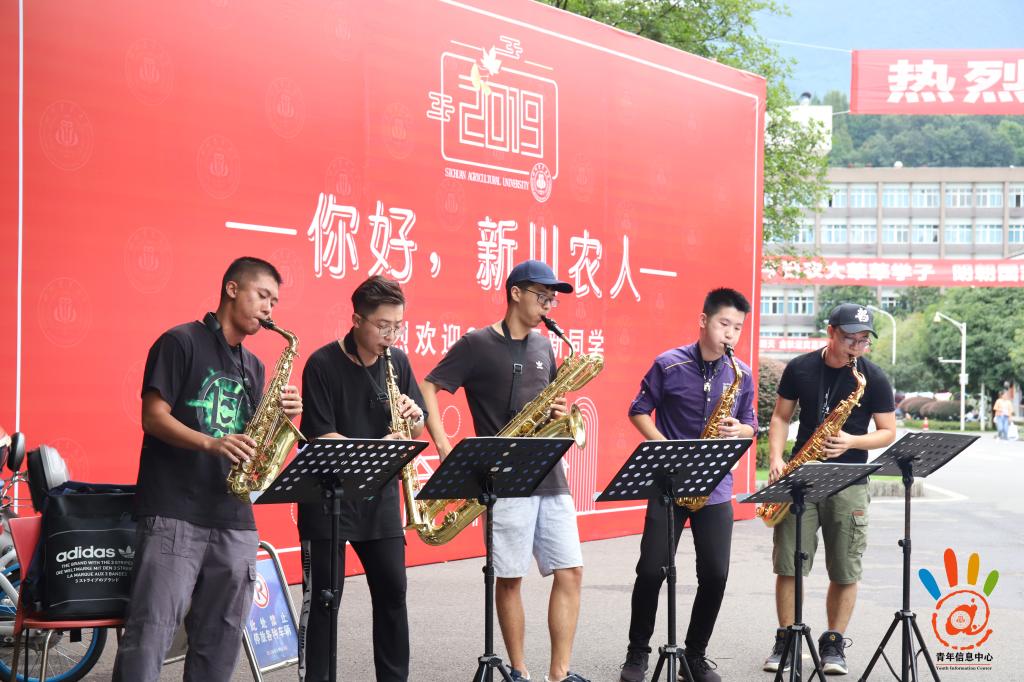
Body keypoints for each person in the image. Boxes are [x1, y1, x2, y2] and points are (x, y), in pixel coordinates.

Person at [113, 257, 302, 682]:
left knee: (222, 638)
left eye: (274, 301)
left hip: (235, 517)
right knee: (150, 633)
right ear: (232, 289)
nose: (269, 308)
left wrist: (283, 418)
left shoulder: (254, 366)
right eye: (262, 296)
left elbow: (252, 443)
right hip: (174, 512)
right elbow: (153, 417)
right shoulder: (179, 342)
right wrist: (211, 443)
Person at [420, 260, 589, 682]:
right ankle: (519, 670)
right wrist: (443, 443)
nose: (548, 304)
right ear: (515, 293)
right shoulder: (476, 343)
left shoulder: (544, 346)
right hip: (503, 479)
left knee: (571, 571)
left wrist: (558, 412)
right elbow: (428, 386)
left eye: (552, 299)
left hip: (551, 474)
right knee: (510, 578)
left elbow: (550, 401)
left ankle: (560, 673)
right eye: (542, 295)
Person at [618, 288, 757, 682]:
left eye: (737, 327)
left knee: (715, 575)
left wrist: (742, 429)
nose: (730, 333)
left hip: (716, 486)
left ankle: (694, 656)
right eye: (724, 323)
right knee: (651, 570)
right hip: (669, 483)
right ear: (703, 320)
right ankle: (637, 652)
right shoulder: (669, 364)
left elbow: (751, 424)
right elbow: (638, 411)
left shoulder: (741, 373)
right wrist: (665, 450)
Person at [296, 275, 426, 682]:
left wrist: (414, 418)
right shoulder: (322, 364)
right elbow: (321, 435)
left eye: (398, 326)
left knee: (393, 594)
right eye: (383, 326)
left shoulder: (397, 362)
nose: (391, 335)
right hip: (327, 498)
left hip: (380, 498)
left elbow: (415, 429)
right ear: (356, 320)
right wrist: (377, 447)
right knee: (324, 600)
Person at [763, 303, 896, 676]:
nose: (857, 346)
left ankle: (834, 643)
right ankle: (787, 639)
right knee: (789, 564)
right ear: (831, 332)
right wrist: (775, 458)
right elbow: (781, 417)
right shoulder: (800, 367)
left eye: (864, 340)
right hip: (801, 477)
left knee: (845, 568)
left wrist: (852, 441)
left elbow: (888, 431)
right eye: (851, 338)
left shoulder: (873, 378)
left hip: (849, 480)